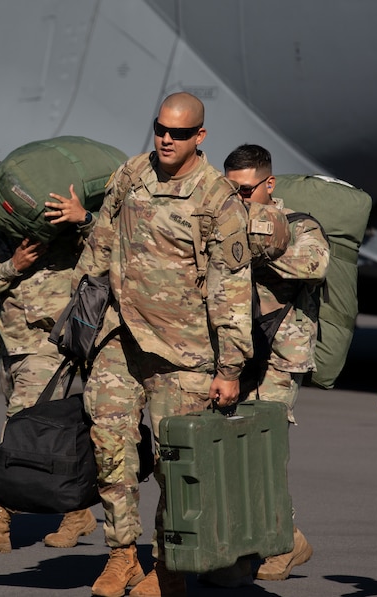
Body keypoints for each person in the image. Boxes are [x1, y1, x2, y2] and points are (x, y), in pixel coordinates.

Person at [76, 92, 254, 597]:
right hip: (119, 337)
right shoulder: (132, 175)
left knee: (176, 463)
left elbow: (232, 290)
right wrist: (82, 315)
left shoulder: (218, 201)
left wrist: (230, 366)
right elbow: (100, 242)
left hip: (184, 351)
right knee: (109, 444)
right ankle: (121, 554)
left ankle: (169, 565)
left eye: (178, 133)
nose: (166, 140)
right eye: (160, 129)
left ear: (200, 136)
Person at [0, 155, 98, 553]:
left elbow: (111, 248)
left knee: (18, 434)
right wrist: (10, 267)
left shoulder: (57, 224)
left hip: (51, 348)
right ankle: (77, 511)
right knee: (55, 435)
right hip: (10, 349)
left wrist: (82, 216)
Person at [213, 143, 329, 585]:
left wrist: (252, 248)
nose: (238, 198)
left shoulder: (297, 224)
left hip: (280, 356)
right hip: (233, 355)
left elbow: (315, 263)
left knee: (262, 453)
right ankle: (256, 546)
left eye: (246, 190)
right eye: (231, 190)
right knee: (231, 455)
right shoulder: (223, 223)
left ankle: (282, 543)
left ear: (269, 184)